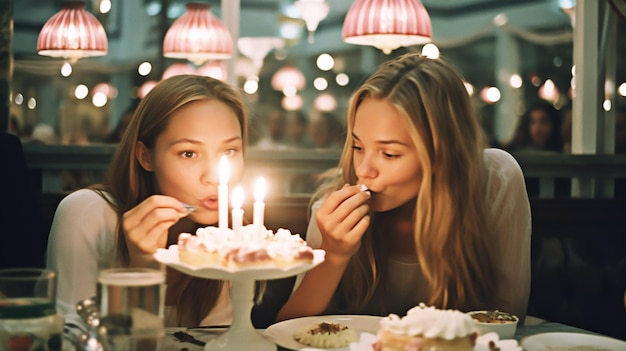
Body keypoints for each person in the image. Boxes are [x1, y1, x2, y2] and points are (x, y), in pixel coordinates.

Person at [277, 53, 531, 324]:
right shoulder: (333, 210)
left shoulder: (496, 180)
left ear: (440, 153)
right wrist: (334, 255)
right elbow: (287, 327)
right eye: (358, 147)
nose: (364, 170)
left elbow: (506, 319)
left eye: (389, 154)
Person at [46, 75, 248, 329]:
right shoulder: (86, 214)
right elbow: (72, 339)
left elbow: (221, 340)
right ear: (145, 156)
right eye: (189, 153)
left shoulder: (234, 236)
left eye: (229, 151)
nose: (214, 177)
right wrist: (141, 267)